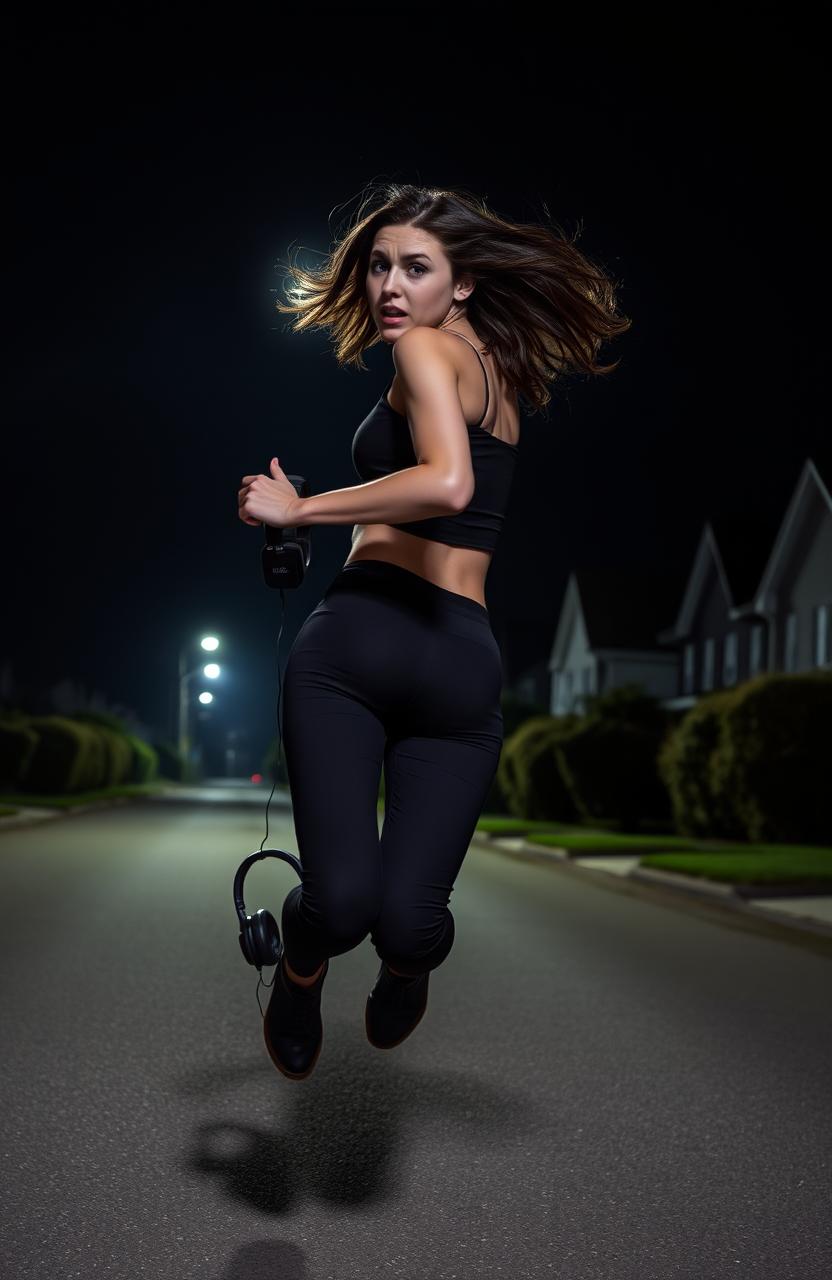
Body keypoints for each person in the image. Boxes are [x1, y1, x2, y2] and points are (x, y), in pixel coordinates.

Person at [238, 183, 631, 1080]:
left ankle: (405, 964)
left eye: (415, 267)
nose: (389, 285)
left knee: (412, 924)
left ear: (461, 285)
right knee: (339, 907)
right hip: (351, 651)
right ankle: (301, 972)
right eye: (379, 265)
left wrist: (301, 507)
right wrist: (313, 519)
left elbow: (449, 485)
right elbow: (440, 476)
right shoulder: (483, 365)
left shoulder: (434, 353)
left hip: (452, 662)